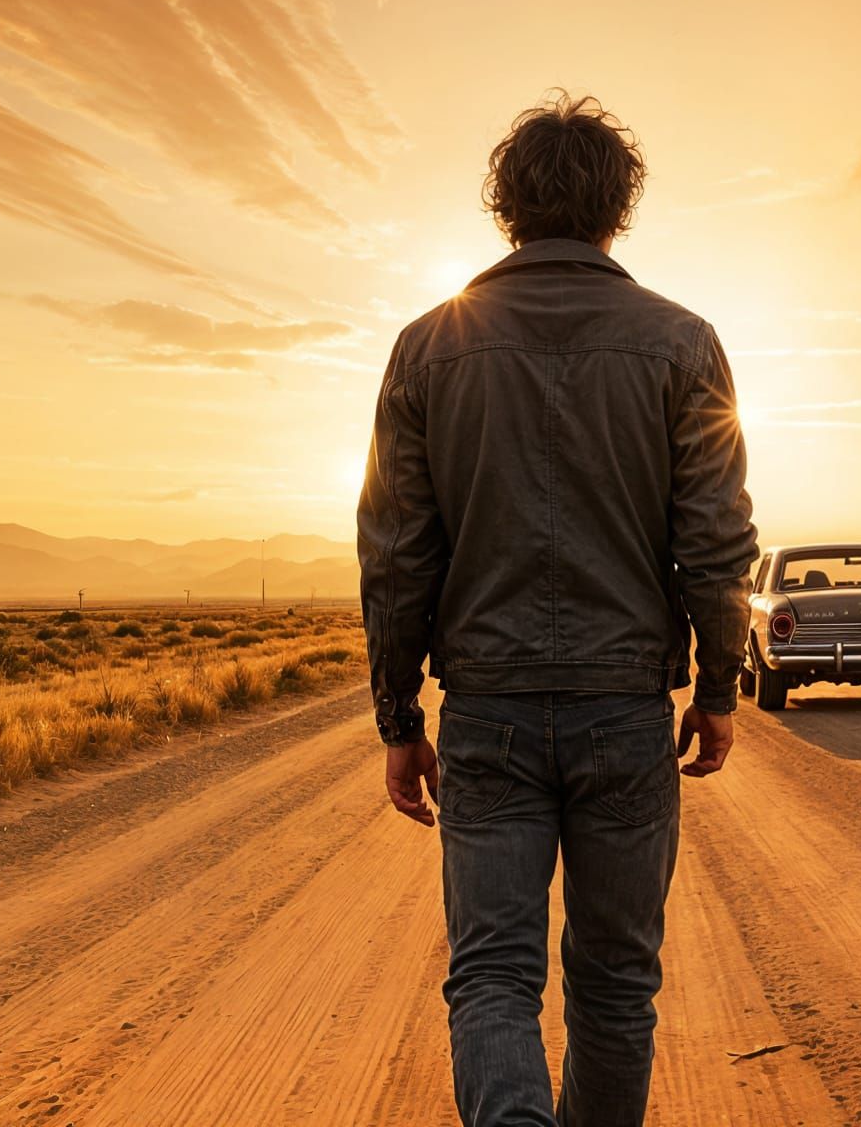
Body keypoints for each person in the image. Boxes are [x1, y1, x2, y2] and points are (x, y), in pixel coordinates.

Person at [356, 88, 758, 1126]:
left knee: (491, 979)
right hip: (624, 711)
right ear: (618, 208)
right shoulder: (684, 344)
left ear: (507, 205)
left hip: (486, 712)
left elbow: (396, 556)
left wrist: (400, 720)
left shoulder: (427, 348)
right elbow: (716, 542)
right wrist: (720, 692)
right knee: (617, 988)